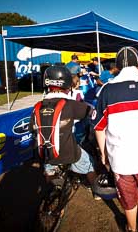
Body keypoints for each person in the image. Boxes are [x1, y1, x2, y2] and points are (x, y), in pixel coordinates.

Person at [92, 46, 138, 232]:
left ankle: (131, 228)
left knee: (126, 196)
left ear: (116, 66)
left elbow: (99, 128)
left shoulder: (106, 91)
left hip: (119, 157)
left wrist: (103, 154)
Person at [29, 65, 99, 199]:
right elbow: (91, 112)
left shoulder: (37, 106)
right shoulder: (70, 104)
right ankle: (96, 191)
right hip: (68, 152)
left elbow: (32, 128)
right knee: (89, 163)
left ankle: (53, 190)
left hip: (46, 152)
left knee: (49, 168)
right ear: (67, 83)